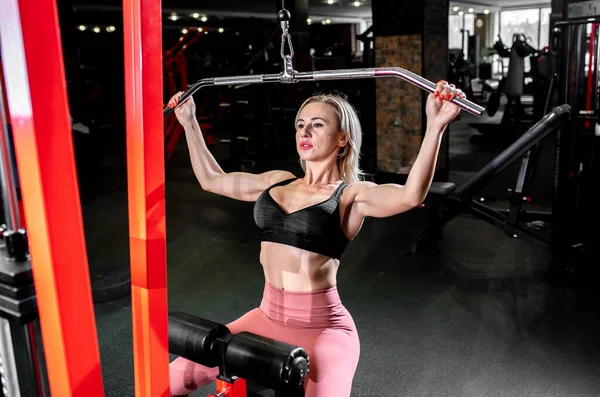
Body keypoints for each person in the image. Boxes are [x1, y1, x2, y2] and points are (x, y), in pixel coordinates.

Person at [167, 81, 465, 396]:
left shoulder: (351, 195)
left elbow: (409, 195)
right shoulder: (277, 181)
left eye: (317, 124)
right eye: (300, 125)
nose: (304, 132)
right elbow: (212, 180)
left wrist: (435, 126)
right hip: (265, 316)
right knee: (165, 383)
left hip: (323, 331)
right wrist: (189, 121)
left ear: (342, 139)